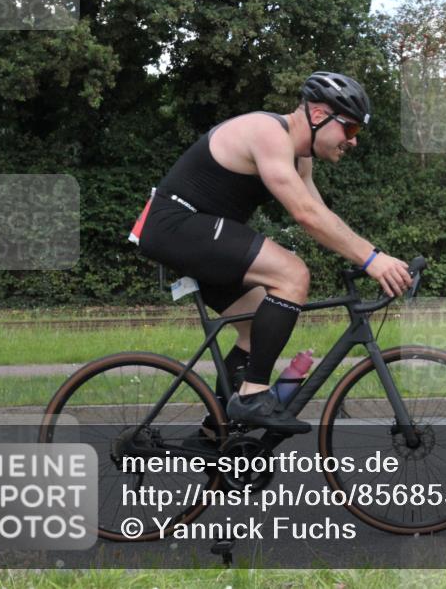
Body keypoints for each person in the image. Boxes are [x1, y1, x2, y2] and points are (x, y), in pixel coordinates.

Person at [132, 72, 412, 435]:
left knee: (253, 330)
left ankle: (216, 434)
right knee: (292, 275)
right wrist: (372, 260)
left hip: (200, 236)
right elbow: (304, 215)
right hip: (174, 224)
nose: (353, 142)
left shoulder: (301, 159)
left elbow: (321, 215)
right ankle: (252, 396)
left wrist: (371, 256)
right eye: (351, 129)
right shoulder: (268, 133)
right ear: (318, 115)